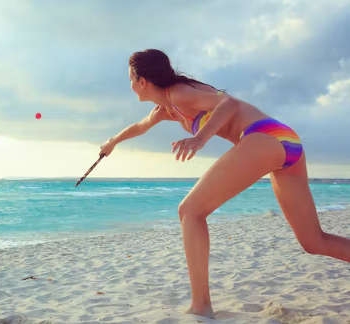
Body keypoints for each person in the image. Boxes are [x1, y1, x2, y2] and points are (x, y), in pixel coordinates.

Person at [99, 49, 350, 318]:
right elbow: (140, 126)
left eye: (130, 79)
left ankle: (201, 306)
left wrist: (200, 138)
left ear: (142, 81)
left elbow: (228, 103)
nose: (130, 86)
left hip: (263, 136)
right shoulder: (166, 109)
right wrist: (111, 143)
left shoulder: (179, 93)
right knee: (314, 241)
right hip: (284, 142)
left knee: (190, 211)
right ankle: (201, 304)